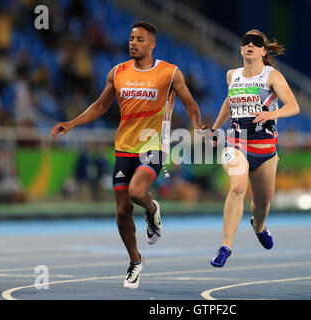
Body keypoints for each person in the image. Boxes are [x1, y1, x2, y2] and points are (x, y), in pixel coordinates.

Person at [51, 21, 202, 288]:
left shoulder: (170, 72)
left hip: (152, 146)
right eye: (131, 38)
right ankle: (135, 261)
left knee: (136, 192)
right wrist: (72, 123)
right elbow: (100, 106)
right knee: (122, 212)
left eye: (140, 39)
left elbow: (190, 104)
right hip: (124, 149)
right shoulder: (117, 72)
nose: (133, 42)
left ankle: (152, 208)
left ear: (152, 44)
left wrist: (199, 127)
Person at [208, 30, 299, 267]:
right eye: (245, 41)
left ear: (263, 50)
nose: (249, 44)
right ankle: (225, 246)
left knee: (263, 203)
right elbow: (229, 102)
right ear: (241, 49)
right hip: (236, 142)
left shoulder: (272, 76)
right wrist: (215, 129)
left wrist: (273, 113)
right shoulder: (232, 75)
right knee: (238, 187)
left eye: (256, 42)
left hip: (265, 150)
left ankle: (258, 226)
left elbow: (293, 106)